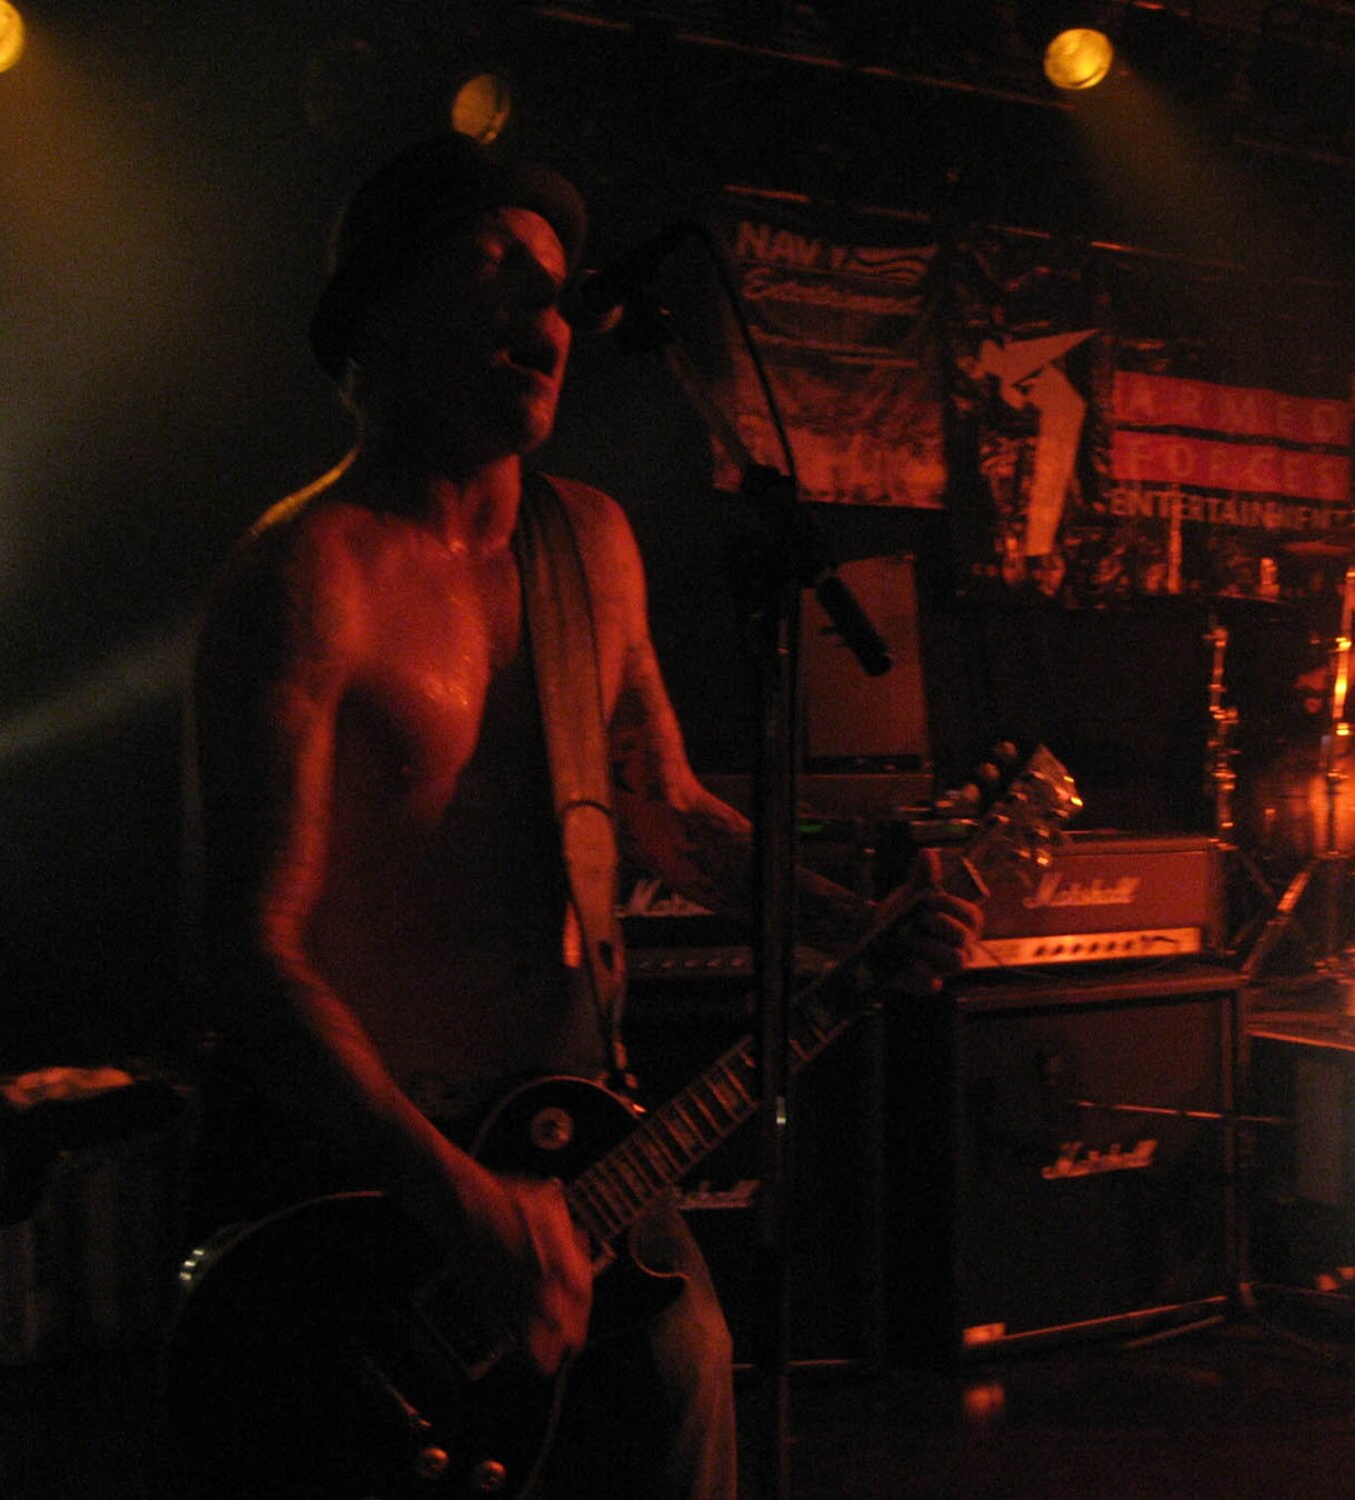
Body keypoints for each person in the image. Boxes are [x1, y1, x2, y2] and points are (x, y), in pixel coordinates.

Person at [182, 133, 981, 1498]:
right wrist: (457, 1196)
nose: (541, 318)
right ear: (375, 314)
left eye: (554, 290)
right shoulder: (307, 574)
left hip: (575, 1136)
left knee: (678, 1389)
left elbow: (663, 810)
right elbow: (251, 954)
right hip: (376, 1175)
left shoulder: (587, 543)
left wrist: (858, 925)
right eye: (491, 271)